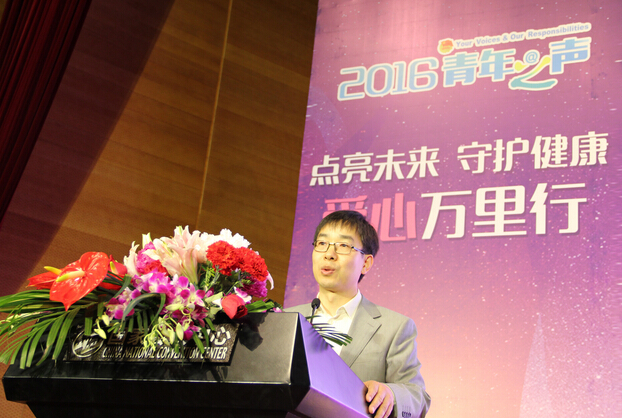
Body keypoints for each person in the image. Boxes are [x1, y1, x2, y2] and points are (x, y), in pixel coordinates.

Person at [286, 210, 431, 418]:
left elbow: (418, 397)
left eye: (343, 246)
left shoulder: (394, 327)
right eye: (322, 243)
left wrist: (391, 394)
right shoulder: (286, 318)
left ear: (366, 263)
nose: (329, 254)